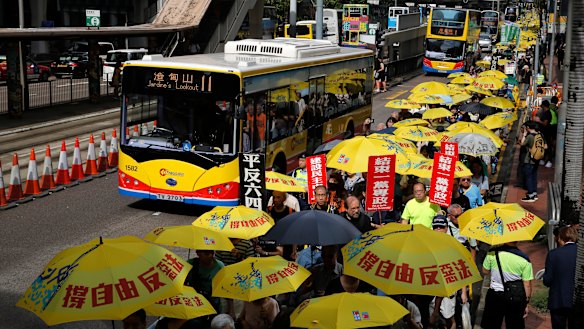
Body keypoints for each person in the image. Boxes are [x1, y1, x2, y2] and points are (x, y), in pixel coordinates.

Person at [481, 241, 533, 329]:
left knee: (492, 325)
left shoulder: (492, 253)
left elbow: (485, 271)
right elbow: (527, 284)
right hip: (515, 297)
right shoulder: (524, 259)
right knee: (514, 325)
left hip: (495, 295)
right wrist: (526, 302)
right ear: (517, 240)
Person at [543, 226, 578, 329]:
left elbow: (547, 280)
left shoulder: (553, 254)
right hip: (577, 300)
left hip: (558, 299)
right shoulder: (580, 253)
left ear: (560, 238)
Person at [520, 121, 540, 202]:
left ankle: (531, 195)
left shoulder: (530, 137)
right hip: (536, 159)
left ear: (528, 127)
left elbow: (522, 143)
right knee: (534, 176)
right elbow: (545, 146)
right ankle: (534, 193)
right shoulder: (539, 135)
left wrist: (524, 135)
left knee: (528, 177)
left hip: (529, 160)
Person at [535, 100, 553, 168]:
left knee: (547, 146)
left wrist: (539, 121)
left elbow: (545, 123)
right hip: (545, 132)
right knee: (544, 146)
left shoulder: (547, 113)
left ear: (544, 106)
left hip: (547, 132)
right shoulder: (545, 112)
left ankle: (549, 160)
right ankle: (543, 159)